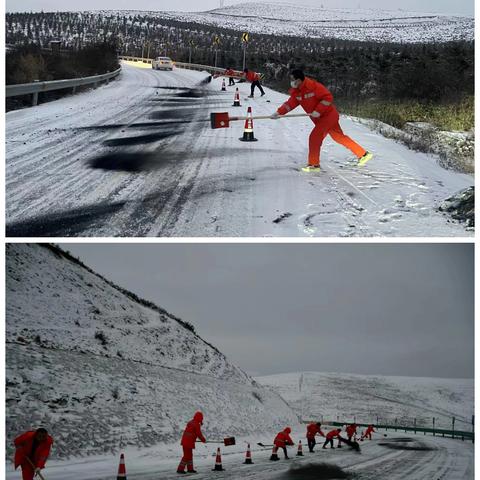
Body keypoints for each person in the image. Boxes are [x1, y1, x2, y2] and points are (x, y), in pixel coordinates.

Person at [271, 69, 373, 171]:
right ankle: (363, 154)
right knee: (339, 137)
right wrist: (279, 113)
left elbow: (328, 97)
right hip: (320, 119)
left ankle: (314, 165)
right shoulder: (297, 92)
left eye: (293, 79)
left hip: (328, 116)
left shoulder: (314, 86)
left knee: (314, 138)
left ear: (299, 80)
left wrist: (318, 110)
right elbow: (290, 104)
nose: (291, 82)